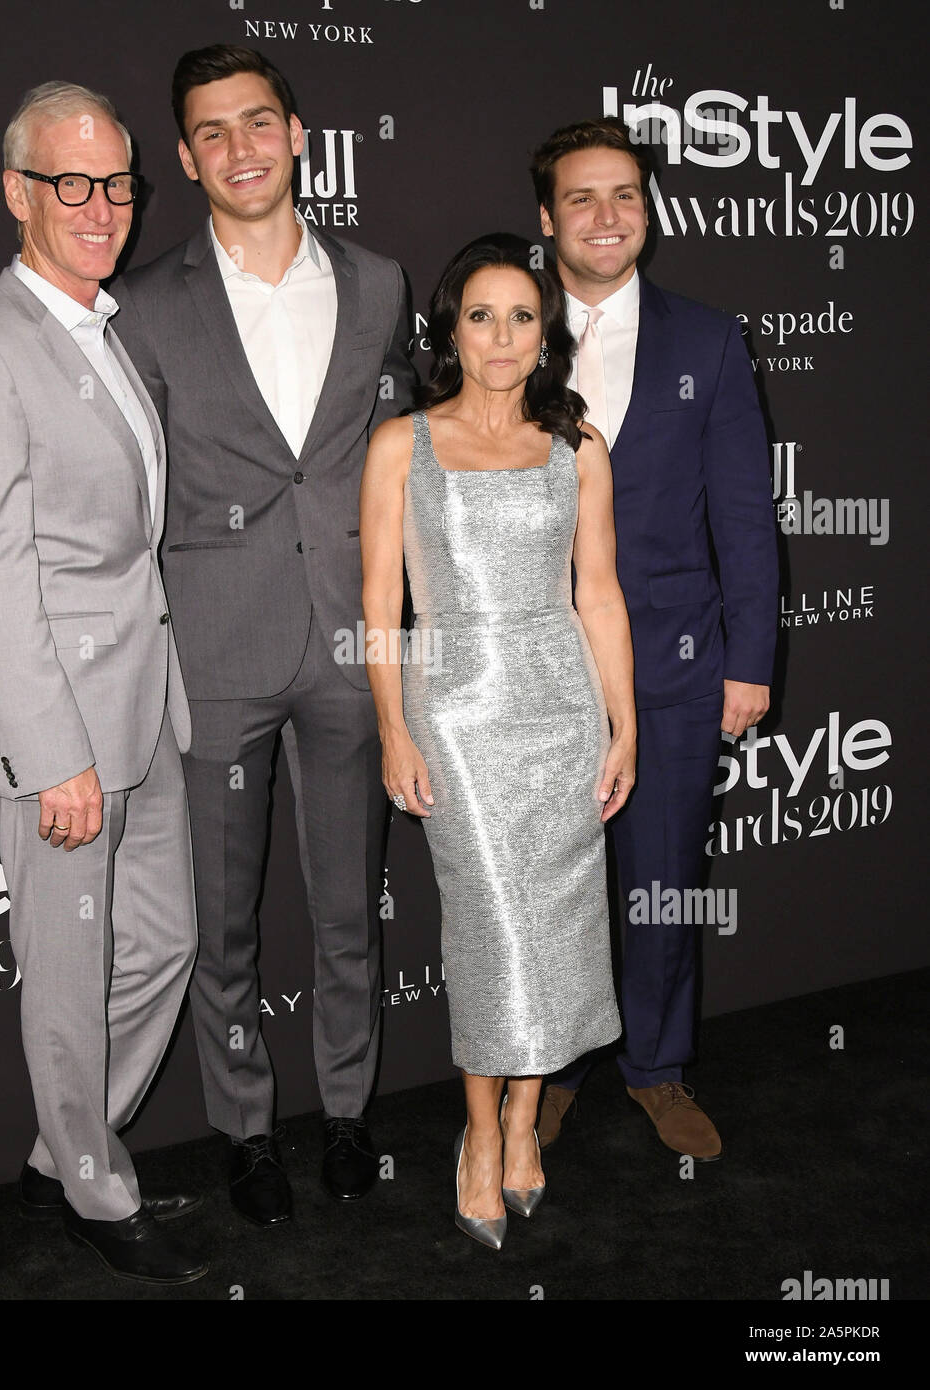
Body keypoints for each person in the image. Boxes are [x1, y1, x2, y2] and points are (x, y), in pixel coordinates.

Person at [112, 44, 416, 1227]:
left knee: (352, 905)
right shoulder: (140, 306)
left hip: (354, 647)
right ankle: (244, 1127)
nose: (240, 147)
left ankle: (347, 1111)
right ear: (185, 158)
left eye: (259, 121)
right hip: (217, 655)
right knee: (218, 925)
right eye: (212, 132)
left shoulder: (382, 280)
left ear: (299, 134)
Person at [0, 82, 206, 1285]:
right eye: (71, 183)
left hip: (143, 706)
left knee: (163, 949)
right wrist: (55, 754)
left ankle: (60, 1155)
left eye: (119, 184)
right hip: (63, 739)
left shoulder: (104, 327)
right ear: (15, 193)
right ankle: (93, 1191)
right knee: (70, 976)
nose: (102, 207)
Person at [360, 234, 636, 1248]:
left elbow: (599, 596)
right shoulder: (403, 445)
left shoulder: (579, 447)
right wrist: (395, 726)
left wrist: (625, 723)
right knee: (489, 934)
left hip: (561, 705)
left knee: (561, 929)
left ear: (546, 331)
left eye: (523, 315)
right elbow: (379, 606)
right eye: (483, 315)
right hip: (459, 713)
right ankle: (478, 1133)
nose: (504, 336)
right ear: (451, 329)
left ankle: (526, 1122)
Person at [531, 119, 778, 1159]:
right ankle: (549, 1064)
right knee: (547, 882)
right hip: (535, 668)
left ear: (649, 211)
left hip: (675, 665)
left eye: (625, 195)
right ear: (546, 220)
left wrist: (748, 662)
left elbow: (744, 515)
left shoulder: (707, 339)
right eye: (582, 198)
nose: (606, 216)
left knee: (663, 873)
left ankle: (659, 1066)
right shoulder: (502, 328)